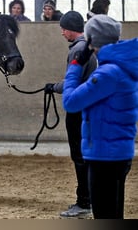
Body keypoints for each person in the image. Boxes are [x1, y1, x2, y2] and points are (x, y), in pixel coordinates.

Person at [63, 14, 138, 219]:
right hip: (117, 153)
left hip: (104, 156)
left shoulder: (107, 74)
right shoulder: (123, 67)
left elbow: (70, 102)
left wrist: (76, 65)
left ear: (91, 40)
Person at [44, 11, 97, 218]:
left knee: (79, 155)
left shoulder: (78, 50)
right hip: (90, 107)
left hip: (78, 108)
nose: (61, 33)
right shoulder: (89, 46)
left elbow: (73, 82)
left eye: (63, 28)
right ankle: (89, 198)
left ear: (70, 29)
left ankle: (84, 201)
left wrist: (53, 87)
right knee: (87, 155)